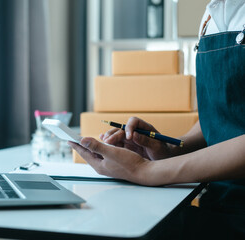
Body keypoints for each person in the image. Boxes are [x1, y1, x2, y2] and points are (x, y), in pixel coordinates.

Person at [69, 0, 245, 238]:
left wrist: (147, 171)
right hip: (217, 204)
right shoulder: (212, 13)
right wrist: (169, 148)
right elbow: (218, 114)